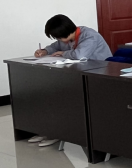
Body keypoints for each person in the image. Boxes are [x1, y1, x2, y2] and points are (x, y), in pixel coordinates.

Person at [30, 15, 113, 148]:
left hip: (98, 76)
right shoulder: (67, 37)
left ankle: (59, 132)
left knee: (63, 96)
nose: (58, 40)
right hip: (79, 73)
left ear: (66, 32)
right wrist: (45, 51)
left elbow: (79, 55)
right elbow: (56, 46)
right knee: (49, 92)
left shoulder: (89, 36)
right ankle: (49, 130)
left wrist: (62, 53)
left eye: (58, 37)